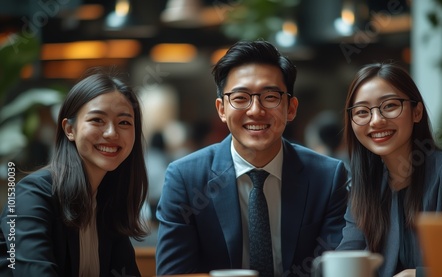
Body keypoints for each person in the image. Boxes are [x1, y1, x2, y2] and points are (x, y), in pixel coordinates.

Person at [155, 40, 349, 277]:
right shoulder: (186, 178)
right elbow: (175, 273)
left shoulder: (327, 177)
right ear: (221, 109)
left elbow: (333, 269)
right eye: (240, 98)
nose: (256, 110)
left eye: (270, 96)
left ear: (291, 108)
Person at [337, 62, 442, 277]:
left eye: (389, 106)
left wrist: (416, 275)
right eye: (362, 111)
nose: (376, 120)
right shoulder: (364, 184)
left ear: (417, 112)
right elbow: (348, 258)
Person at [0, 68, 149, 276]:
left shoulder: (108, 201)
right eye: (97, 120)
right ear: (70, 129)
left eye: (124, 122)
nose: (111, 133)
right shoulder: (30, 195)